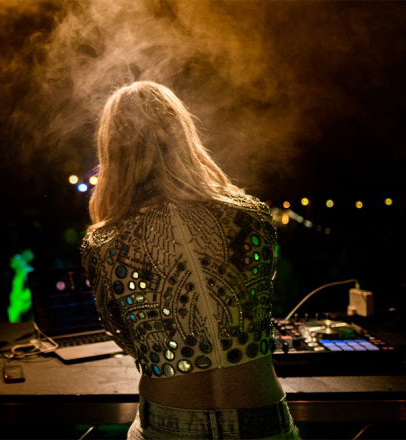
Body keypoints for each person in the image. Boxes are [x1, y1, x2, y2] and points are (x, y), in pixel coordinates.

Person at [80, 81, 301, 439]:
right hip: (264, 423)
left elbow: (133, 340)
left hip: (169, 425)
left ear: (113, 150)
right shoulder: (251, 215)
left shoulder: (104, 242)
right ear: (182, 133)